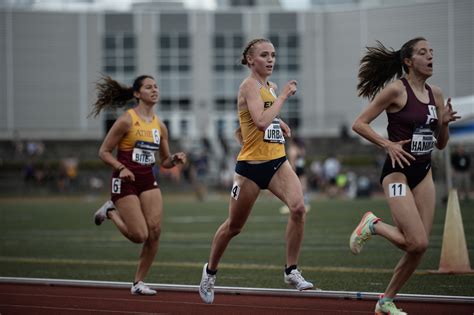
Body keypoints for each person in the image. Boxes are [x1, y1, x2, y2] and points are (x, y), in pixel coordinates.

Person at [199, 38, 314, 304]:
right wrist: (284, 97)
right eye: (264, 55)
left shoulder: (270, 87)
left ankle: (291, 270)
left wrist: (281, 122)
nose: (271, 59)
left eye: (273, 54)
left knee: (298, 208)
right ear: (251, 60)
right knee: (234, 227)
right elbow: (261, 122)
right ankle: (210, 271)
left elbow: (266, 115)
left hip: (277, 162)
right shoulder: (248, 86)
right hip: (250, 169)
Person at [349, 37, 460, 315]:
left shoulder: (436, 94)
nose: (431, 56)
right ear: (408, 61)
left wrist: (444, 124)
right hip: (397, 173)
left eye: (432, 51)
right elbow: (359, 124)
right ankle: (373, 224)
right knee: (418, 241)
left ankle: (385, 300)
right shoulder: (396, 90)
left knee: (418, 247)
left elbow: (441, 144)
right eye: (423, 52)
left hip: (423, 172)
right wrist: (387, 144)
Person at [90, 74, 186, 295]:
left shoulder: (160, 126)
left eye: (156, 87)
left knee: (155, 231)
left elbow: (164, 160)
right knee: (139, 235)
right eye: (149, 87)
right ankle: (111, 211)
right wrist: (120, 167)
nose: (155, 90)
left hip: (146, 179)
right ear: (137, 93)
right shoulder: (126, 120)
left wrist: (175, 160)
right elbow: (103, 152)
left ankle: (138, 283)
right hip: (124, 180)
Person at [280, 136, 310, 213]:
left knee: (292, 187)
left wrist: (292, 172)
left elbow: (292, 161)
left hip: (296, 169)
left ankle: (290, 205)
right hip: (302, 169)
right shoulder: (301, 149)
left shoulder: (292, 149)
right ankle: (305, 203)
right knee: (303, 187)